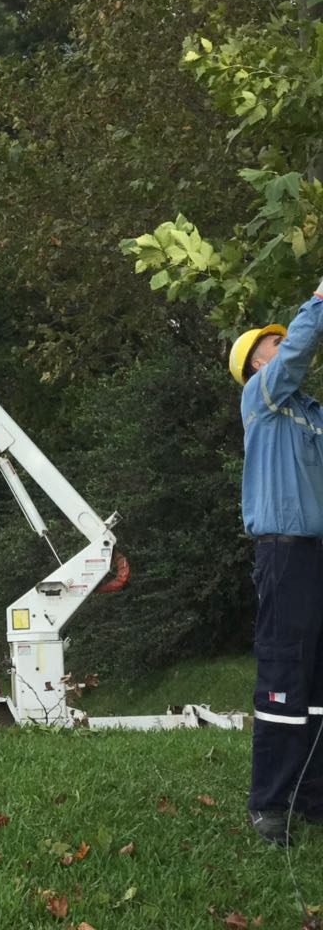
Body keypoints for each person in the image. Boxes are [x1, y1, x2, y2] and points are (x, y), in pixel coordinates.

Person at [228, 280, 323, 846]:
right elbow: (300, 349)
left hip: (317, 556)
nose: (281, 348)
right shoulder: (261, 398)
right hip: (284, 555)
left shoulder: (311, 414)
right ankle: (268, 804)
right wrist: (318, 300)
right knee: (286, 679)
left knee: (318, 683)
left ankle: (313, 798)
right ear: (256, 365)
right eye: (272, 345)